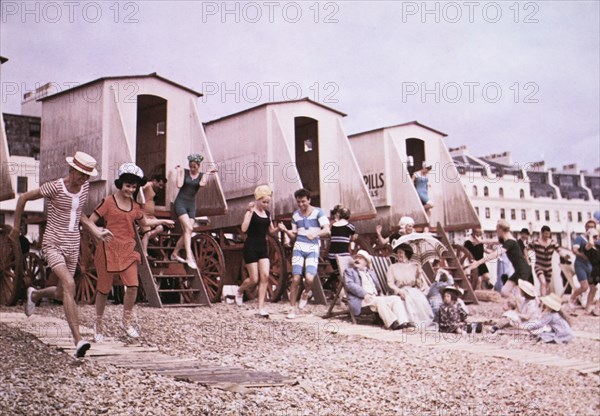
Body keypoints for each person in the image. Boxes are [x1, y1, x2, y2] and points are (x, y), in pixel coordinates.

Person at [10, 151, 111, 358]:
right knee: (69, 284)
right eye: (81, 174)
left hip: (73, 245)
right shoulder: (55, 187)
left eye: (87, 176)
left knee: (60, 292)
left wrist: (96, 231)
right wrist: (15, 227)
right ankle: (78, 341)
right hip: (53, 244)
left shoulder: (83, 189)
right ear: (71, 170)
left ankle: (35, 294)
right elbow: (24, 198)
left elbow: (79, 214)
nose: (84, 179)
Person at [89, 163, 174, 342]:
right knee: (103, 290)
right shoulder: (108, 201)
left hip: (128, 249)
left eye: (134, 186)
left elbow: (144, 224)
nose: (130, 189)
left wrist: (162, 222)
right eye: (128, 185)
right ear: (120, 184)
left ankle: (126, 322)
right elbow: (91, 220)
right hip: (108, 249)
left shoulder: (136, 206)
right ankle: (98, 325)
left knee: (133, 286)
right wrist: (98, 234)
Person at [278, 188, 330, 319]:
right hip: (299, 246)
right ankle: (292, 309)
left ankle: (306, 292)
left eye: (303, 201)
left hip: (313, 247)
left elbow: (327, 230)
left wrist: (316, 234)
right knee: (295, 279)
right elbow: (294, 236)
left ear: (309, 200)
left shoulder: (319, 212)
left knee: (309, 278)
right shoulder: (295, 215)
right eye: (298, 202)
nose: (301, 204)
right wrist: (285, 231)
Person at [235, 185, 278, 318]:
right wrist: (250, 213)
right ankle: (240, 291)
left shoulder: (268, 214)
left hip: (263, 246)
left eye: (267, 202)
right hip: (251, 246)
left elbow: (271, 231)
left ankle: (261, 307)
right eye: (264, 201)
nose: (266, 204)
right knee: (254, 279)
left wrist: (279, 229)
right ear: (258, 200)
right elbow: (243, 229)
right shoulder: (250, 212)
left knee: (265, 275)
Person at [169, 154, 218, 269]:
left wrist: (207, 173)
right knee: (189, 229)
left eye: (194, 167)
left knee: (188, 231)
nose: (192, 168)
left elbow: (202, 184)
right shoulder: (185, 172)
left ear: (198, 166)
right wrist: (180, 171)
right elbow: (179, 184)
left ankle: (174, 253)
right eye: (190, 166)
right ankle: (189, 257)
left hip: (191, 205)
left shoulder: (201, 176)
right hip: (181, 203)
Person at [343, 250, 412, 330]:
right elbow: (349, 285)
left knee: (396, 299)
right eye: (357, 258)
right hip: (361, 299)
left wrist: (380, 293)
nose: (357, 260)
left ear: (366, 262)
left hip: (374, 297)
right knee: (380, 301)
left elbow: (377, 286)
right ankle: (392, 323)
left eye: (361, 258)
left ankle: (403, 322)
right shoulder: (349, 271)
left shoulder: (371, 272)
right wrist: (364, 294)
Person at [386, 242, 434, 326]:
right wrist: (399, 291)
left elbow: (419, 285)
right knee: (409, 298)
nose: (398, 255)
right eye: (398, 252)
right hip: (400, 290)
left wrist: (419, 274)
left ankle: (422, 321)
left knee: (420, 298)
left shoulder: (414, 266)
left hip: (414, 290)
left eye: (401, 252)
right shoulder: (392, 267)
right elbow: (390, 283)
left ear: (406, 254)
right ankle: (412, 321)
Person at [570, 220, 598, 311]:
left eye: (592, 226)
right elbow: (574, 250)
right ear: (585, 227)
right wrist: (583, 256)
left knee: (593, 288)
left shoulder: (596, 239)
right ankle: (572, 298)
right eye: (588, 226)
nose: (590, 228)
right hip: (580, 265)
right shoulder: (580, 238)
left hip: (591, 266)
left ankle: (588, 306)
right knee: (584, 286)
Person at [530, 225, 564, 295]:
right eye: (545, 233)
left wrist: (564, 256)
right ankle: (543, 302)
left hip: (548, 267)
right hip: (539, 266)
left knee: (547, 285)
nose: (547, 235)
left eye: (548, 234)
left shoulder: (553, 242)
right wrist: (527, 258)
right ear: (542, 233)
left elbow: (559, 251)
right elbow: (526, 248)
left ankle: (545, 302)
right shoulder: (536, 242)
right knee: (543, 282)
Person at [140, 173, 168, 258]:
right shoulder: (148, 185)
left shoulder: (154, 189)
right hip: (143, 214)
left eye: (162, 186)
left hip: (151, 215)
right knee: (147, 233)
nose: (161, 187)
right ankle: (145, 253)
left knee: (160, 227)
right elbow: (139, 188)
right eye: (160, 184)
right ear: (155, 181)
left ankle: (146, 239)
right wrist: (141, 200)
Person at [327, 205, 356, 272]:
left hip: (332, 255)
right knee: (347, 271)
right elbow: (352, 237)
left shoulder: (333, 225)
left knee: (337, 272)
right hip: (343, 255)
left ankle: (331, 281)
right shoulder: (351, 226)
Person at [579, 226, 600, 315]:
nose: (596, 238)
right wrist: (590, 233)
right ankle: (589, 308)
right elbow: (590, 243)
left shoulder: (598, 246)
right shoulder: (586, 246)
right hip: (595, 270)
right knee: (592, 290)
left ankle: (596, 308)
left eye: (597, 236)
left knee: (593, 289)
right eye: (594, 237)